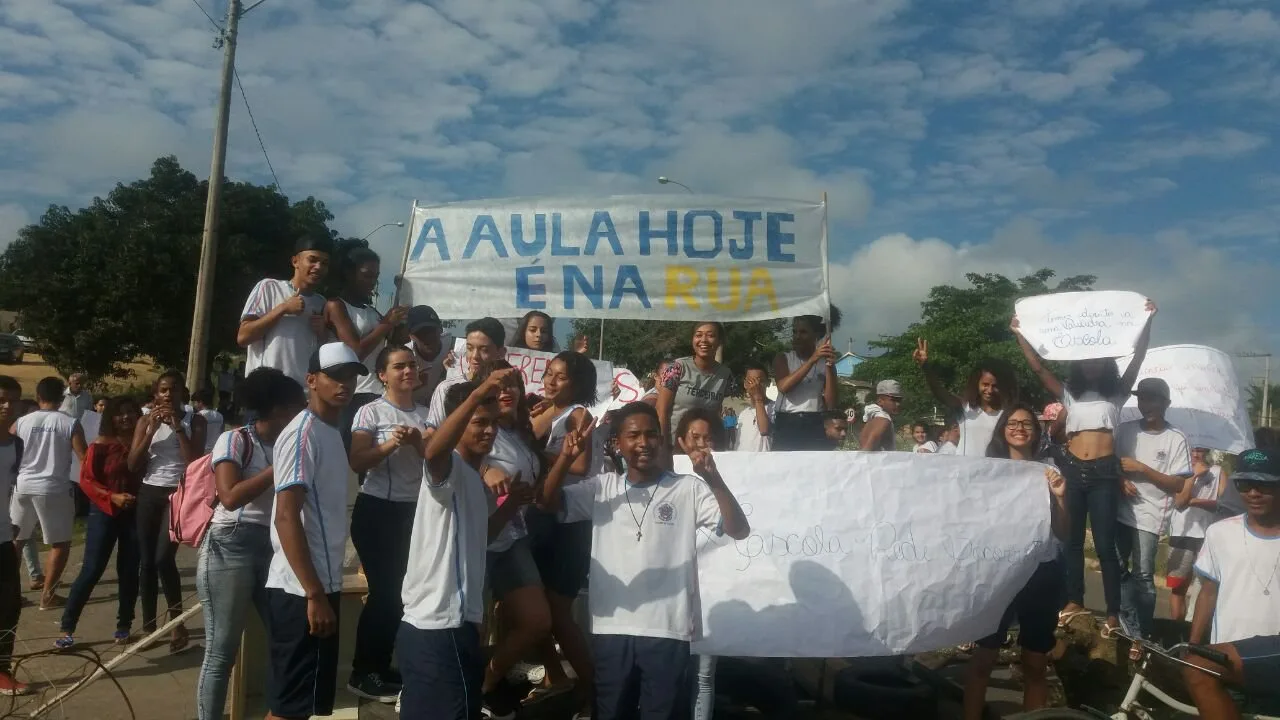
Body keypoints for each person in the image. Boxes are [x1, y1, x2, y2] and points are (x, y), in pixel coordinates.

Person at [539, 402, 750, 720]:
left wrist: (713, 477)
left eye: (651, 434)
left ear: (662, 441)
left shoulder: (688, 488)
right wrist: (566, 458)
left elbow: (739, 529)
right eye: (633, 434)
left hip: (668, 629)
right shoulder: (602, 487)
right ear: (617, 444)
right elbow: (547, 502)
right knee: (611, 712)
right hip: (612, 628)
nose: (643, 442)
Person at [1013, 299, 1156, 636]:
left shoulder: (1118, 394)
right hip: (1073, 469)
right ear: (1079, 366)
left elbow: (1139, 356)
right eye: (1086, 361)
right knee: (1072, 542)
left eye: (1097, 360)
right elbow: (1037, 367)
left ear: (1105, 364)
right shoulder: (1069, 395)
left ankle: (1112, 612)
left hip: (1105, 471)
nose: (1091, 365)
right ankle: (1074, 600)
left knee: (1106, 546)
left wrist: (1148, 319)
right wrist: (1020, 333)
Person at [396, 371, 524, 719]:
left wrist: (513, 504)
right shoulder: (448, 465)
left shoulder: (474, 477)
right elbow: (433, 451)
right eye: (479, 421)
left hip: (458, 626)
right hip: (437, 627)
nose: (490, 430)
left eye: (494, 422)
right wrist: (479, 391)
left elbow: (481, 538)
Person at [195, 369, 306, 720]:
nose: (303, 411)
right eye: (296, 406)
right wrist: (278, 469)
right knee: (221, 651)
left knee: (284, 639)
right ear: (277, 410)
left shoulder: (294, 443)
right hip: (231, 545)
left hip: (273, 548)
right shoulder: (235, 441)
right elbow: (229, 497)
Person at [264, 342, 362, 720]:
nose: (345, 384)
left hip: (321, 585)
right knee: (288, 708)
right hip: (300, 591)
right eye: (335, 376)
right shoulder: (302, 433)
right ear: (311, 380)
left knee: (301, 706)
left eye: (351, 376)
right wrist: (314, 594)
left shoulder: (331, 433)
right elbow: (286, 516)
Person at [962, 403, 1070, 720]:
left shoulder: (1050, 470)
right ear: (1002, 430)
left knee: (1035, 663)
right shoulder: (989, 472)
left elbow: (1062, 532)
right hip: (999, 571)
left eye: (1027, 423)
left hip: (1042, 573)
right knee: (984, 655)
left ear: (1037, 432)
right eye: (1012, 422)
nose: (1019, 427)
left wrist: (1060, 497)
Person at [346, 347, 430, 703]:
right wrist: (391, 443)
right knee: (385, 593)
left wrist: (418, 442)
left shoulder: (426, 414)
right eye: (398, 366)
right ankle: (362, 672)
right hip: (378, 509)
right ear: (382, 374)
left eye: (411, 365)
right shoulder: (370, 411)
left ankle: (381, 665)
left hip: (414, 512)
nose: (407, 371)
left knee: (404, 594)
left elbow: (437, 458)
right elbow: (357, 459)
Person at [471, 360, 551, 719]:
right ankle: (461, 689)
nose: (507, 392)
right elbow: (446, 453)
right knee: (472, 628)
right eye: (498, 385)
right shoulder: (473, 425)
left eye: (513, 384)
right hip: (476, 541)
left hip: (513, 536)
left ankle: (485, 683)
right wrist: (486, 469)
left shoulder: (521, 432)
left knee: (537, 620)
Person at [1182, 448, 1280, 720]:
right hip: (1225, 661)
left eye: (1264, 485)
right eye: (1245, 485)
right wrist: (1193, 644)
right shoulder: (1220, 532)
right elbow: (1208, 592)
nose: (1253, 493)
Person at [526, 351, 597, 715]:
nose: (551, 381)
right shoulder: (542, 412)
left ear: (579, 384)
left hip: (568, 522)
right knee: (530, 608)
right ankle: (556, 677)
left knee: (556, 610)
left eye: (561, 377)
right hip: (537, 517)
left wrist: (538, 451)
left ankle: (590, 687)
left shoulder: (577, 415)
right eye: (549, 374)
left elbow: (581, 464)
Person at [56, 396, 143, 649]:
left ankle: (124, 625)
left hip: (135, 514)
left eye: (130, 411)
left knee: (129, 571)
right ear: (110, 418)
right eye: (120, 413)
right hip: (104, 512)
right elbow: (87, 481)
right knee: (92, 569)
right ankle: (67, 627)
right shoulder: (100, 446)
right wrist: (112, 496)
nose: (125, 417)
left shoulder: (146, 443)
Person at [128, 371, 205, 651]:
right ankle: (149, 627)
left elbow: (194, 461)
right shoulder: (145, 419)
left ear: (182, 393)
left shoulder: (194, 420)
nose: (167, 395)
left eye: (173, 389)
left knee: (163, 559)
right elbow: (133, 463)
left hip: (178, 493)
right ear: (155, 394)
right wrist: (150, 431)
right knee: (146, 562)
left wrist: (177, 428)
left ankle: (177, 625)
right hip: (150, 492)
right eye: (162, 390)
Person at [1115, 377, 1191, 644]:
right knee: (1115, 567)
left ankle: (1143, 633)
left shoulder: (1176, 438)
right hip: (1118, 511)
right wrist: (1121, 479)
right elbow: (1110, 463)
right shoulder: (1124, 430)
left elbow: (1178, 483)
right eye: (1142, 398)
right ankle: (1127, 622)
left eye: (1153, 399)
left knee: (1144, 576)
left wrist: (1142, 469)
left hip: (1150, 516)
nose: (1146, 404)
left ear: (1166, 403)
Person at [325, 239, 408, 452]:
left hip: (378, 393)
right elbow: (355, 352)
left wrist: (399, 316)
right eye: (367, 275)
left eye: (376, 277)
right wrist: (386, 323)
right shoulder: (337, 306)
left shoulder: (371, 311)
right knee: (349, 459)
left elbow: (394, 341)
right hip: (353, 394)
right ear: (349, 274)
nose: (373, 282)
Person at [12, 376, 87, 611]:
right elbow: (83, 457)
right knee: (60, 544)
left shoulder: (21, 422)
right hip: (53, 488)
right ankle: (48, 595)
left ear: (38, 396)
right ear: (62, 397)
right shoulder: (69, 423)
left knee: (16, 540)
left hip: (21, 486)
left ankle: (8, 593)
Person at [237, 234, 333, 387]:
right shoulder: (269, 287)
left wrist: (322, 333)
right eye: (312, 260)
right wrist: (283, 308)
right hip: (266, 390)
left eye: (325, 263)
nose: (319, 267)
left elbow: (324, 353)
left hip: (303, 396)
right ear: (295, 261)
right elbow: (243, 337)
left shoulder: (322, 302)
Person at [913, 340, 1019, 457]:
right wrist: (926, 367)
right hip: (966, 470)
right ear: (977, 383)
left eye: (995, 386)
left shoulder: (1008, 415)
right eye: (985, 384)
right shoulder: (965, 408)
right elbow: (940, 392)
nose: (989, 390)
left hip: (993, 472)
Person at [1167, 447, 1225, 623]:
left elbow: (1223, 504)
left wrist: (1195, 501)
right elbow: (1179, 502)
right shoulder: (1179, 472)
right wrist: (1193, 476)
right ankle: (1177, 629)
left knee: (1205, 589)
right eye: (1192, 450)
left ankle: (1194, 631)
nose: (1196, 455)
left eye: (1200, 451)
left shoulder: (1218, 472)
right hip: (1181, 535)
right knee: (1178, 589)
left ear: (1207, 452)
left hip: (1207, 536)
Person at [657, 322, 733, 446]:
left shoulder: (726, 375)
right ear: (692, 339)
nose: (704, 340)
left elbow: (716, 413)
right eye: (698, 335)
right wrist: (662, 446)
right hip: (675, 446)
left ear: (720, 341)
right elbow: (661, 410)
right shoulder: (677, 368)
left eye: (710, 335)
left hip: (705, 447)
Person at [0, 376, 29, 695]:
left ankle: (2, 670)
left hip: (3, 538)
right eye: (2, 400)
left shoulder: (15, 445)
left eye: (14, 400)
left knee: (9, 605)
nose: (8, 406)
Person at [771, 314, 838, 450]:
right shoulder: (783, 358)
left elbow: (831, 404)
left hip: (815, 422)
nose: (797, 336)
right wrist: (812, 360)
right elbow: (784, 387)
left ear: (816, 335)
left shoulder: (825, 364)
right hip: (787, 422)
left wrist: (829, 368)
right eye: (794, 331)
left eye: (803, 332)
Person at [425, 317, 506, 427]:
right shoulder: (446, 388)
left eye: (484, 350)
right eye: (470, 348)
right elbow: (433, 433)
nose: (474, 356)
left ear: (501, 353)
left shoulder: (509, 390)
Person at [405, 305, 452, 407]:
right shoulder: (404, 356)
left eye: (431, 331)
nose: (428, 337)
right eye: (420, 333)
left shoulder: (455, 347)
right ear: (411, 336)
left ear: (440, 329)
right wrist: (410, 386)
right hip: (414, 413)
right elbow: (389, 396)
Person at [734, 361, 773, 452]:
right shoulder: (743, 414)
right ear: (745, 384)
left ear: (768, 383)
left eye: (760, 381)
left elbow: (764, 430)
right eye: (751, 381)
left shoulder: (775, 408)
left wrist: (758, 399)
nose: (755, 385)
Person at [859, 380, 903, 452]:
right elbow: (866, 450)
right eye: (893, 400)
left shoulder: (874, 416)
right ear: (880, 401)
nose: (898, 404)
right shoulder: (883, 418)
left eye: (899, 400)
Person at [192, 388, 224, 454]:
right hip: (216, 450)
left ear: (200, 402)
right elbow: (221, 433)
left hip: (202, 451)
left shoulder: (198, 416)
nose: (194, 405)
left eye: (195, 402)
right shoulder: (220, 415)